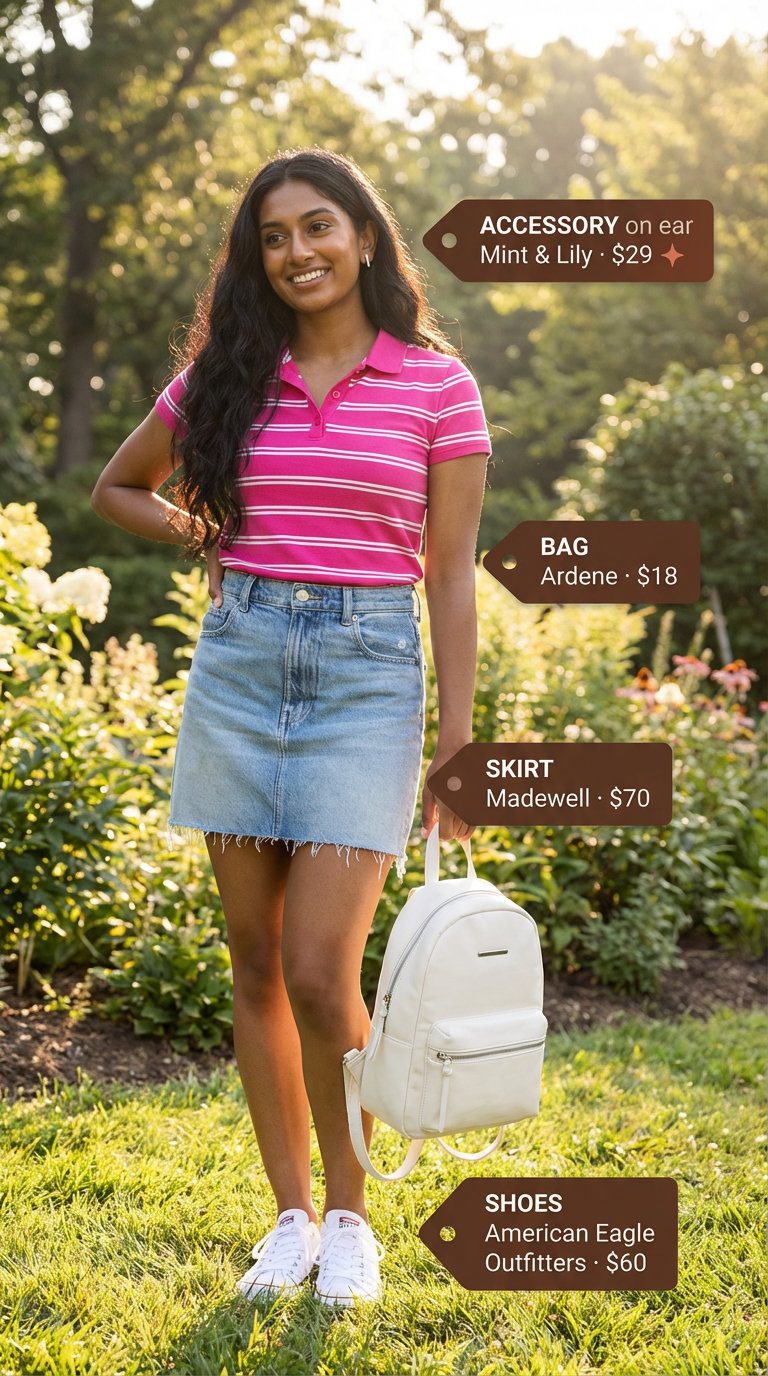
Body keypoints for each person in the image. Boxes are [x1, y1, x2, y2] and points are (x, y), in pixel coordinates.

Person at [91, 147, 489, 1308]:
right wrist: (209, 540)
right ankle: (290, 1217)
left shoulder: (435, 384)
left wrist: (458, 742)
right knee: (255, 958)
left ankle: (354, 1217)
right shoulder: (230, 374)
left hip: (369, 677)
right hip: (241, 663)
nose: (298, 251)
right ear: (256, 258)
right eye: (273, 236)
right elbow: (117, 487)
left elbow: (453, 575)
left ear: (365, 237)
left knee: (322, 971)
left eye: (319, 227)